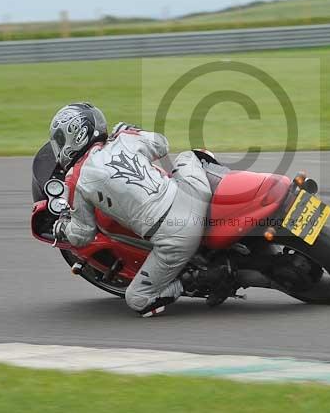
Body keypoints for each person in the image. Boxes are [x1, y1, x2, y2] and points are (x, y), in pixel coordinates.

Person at [47, 103, 213, 317]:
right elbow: (162, 145)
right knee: (190, 156)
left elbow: (82, 235)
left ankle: (195, 280)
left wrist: (61, 228)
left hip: (176, 236)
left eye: (60, 140)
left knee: (138, 299)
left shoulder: (76, 180)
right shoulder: (125, 138)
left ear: (75, 136)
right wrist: (134, 130)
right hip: (193, 195)